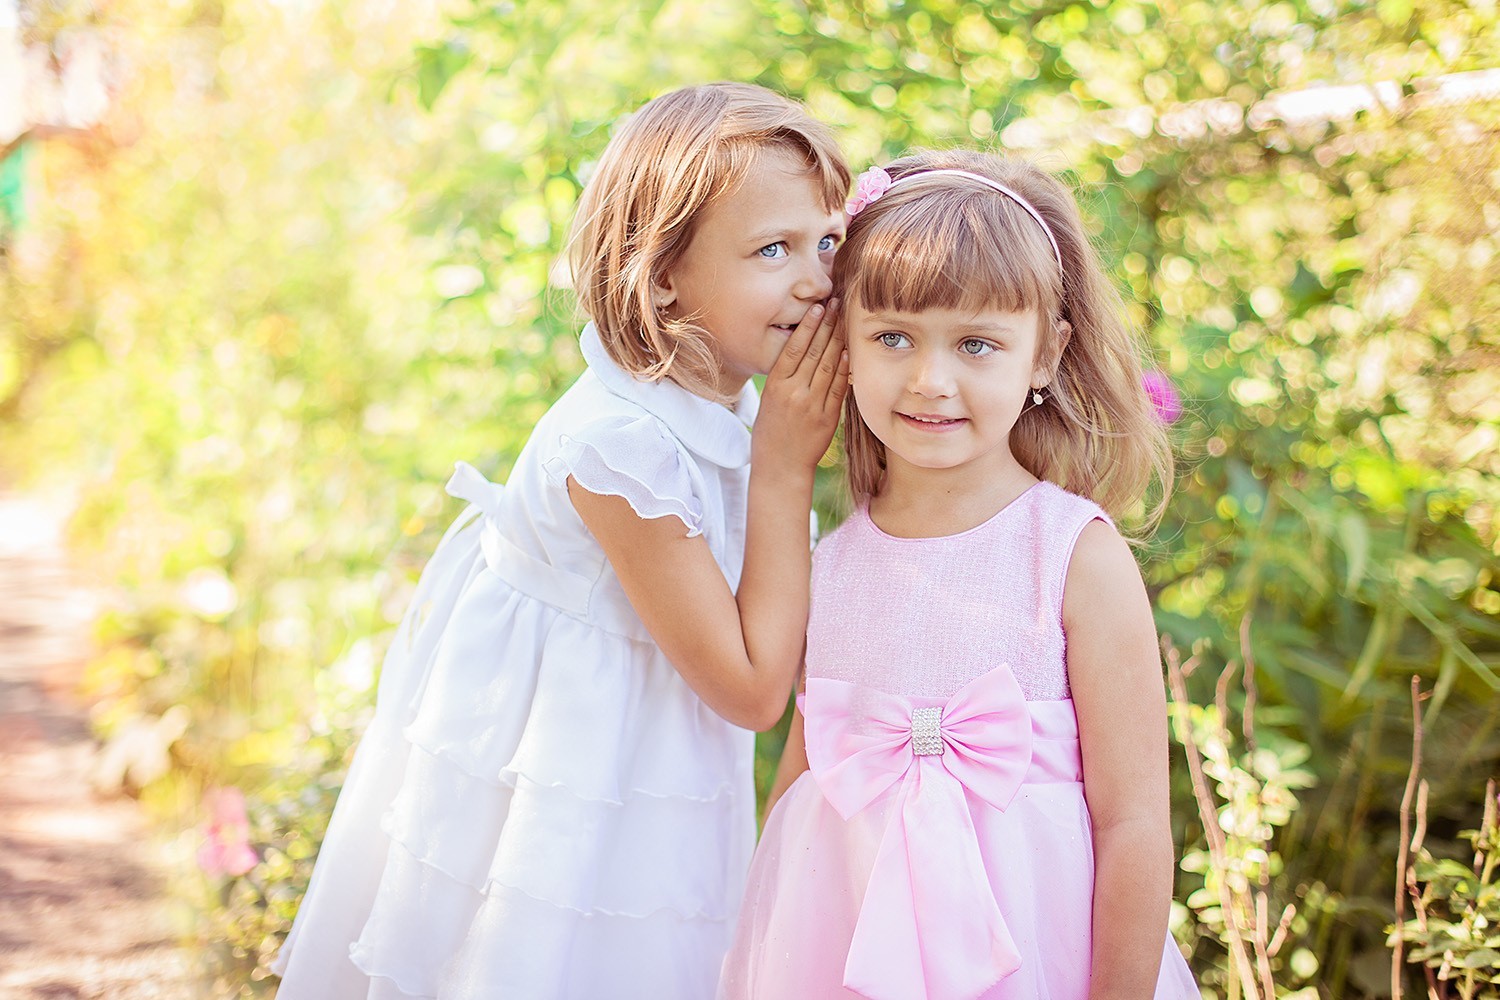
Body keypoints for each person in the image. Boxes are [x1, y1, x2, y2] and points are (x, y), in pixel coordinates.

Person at [272, 82, 851, 1000]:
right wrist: (786, 469)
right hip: (572, 792)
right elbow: (751, 689)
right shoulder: (622, 449)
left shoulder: (725, 393)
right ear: (662, 272)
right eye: (772, 249)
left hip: (649, 766)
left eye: (826, 241)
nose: (817, 279)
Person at [718, 150, 1199, 999]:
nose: (930, 380)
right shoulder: (829, 563)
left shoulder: (1073, 555)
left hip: (1040, 950)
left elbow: (1133, 826)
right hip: (845, 949)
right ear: (844, 343)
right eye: (893, 337)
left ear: (1045, 355)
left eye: (977, 344)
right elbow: (800, 791)